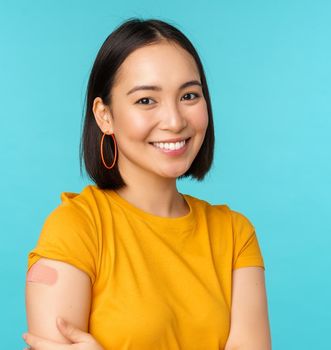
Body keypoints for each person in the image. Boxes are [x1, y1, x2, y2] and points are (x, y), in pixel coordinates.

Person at [23, 18, 271, 350]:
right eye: (146, 100)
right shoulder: (76, 229)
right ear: (104, 116)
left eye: (189, 95)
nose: (174, 120)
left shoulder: (235, 236)